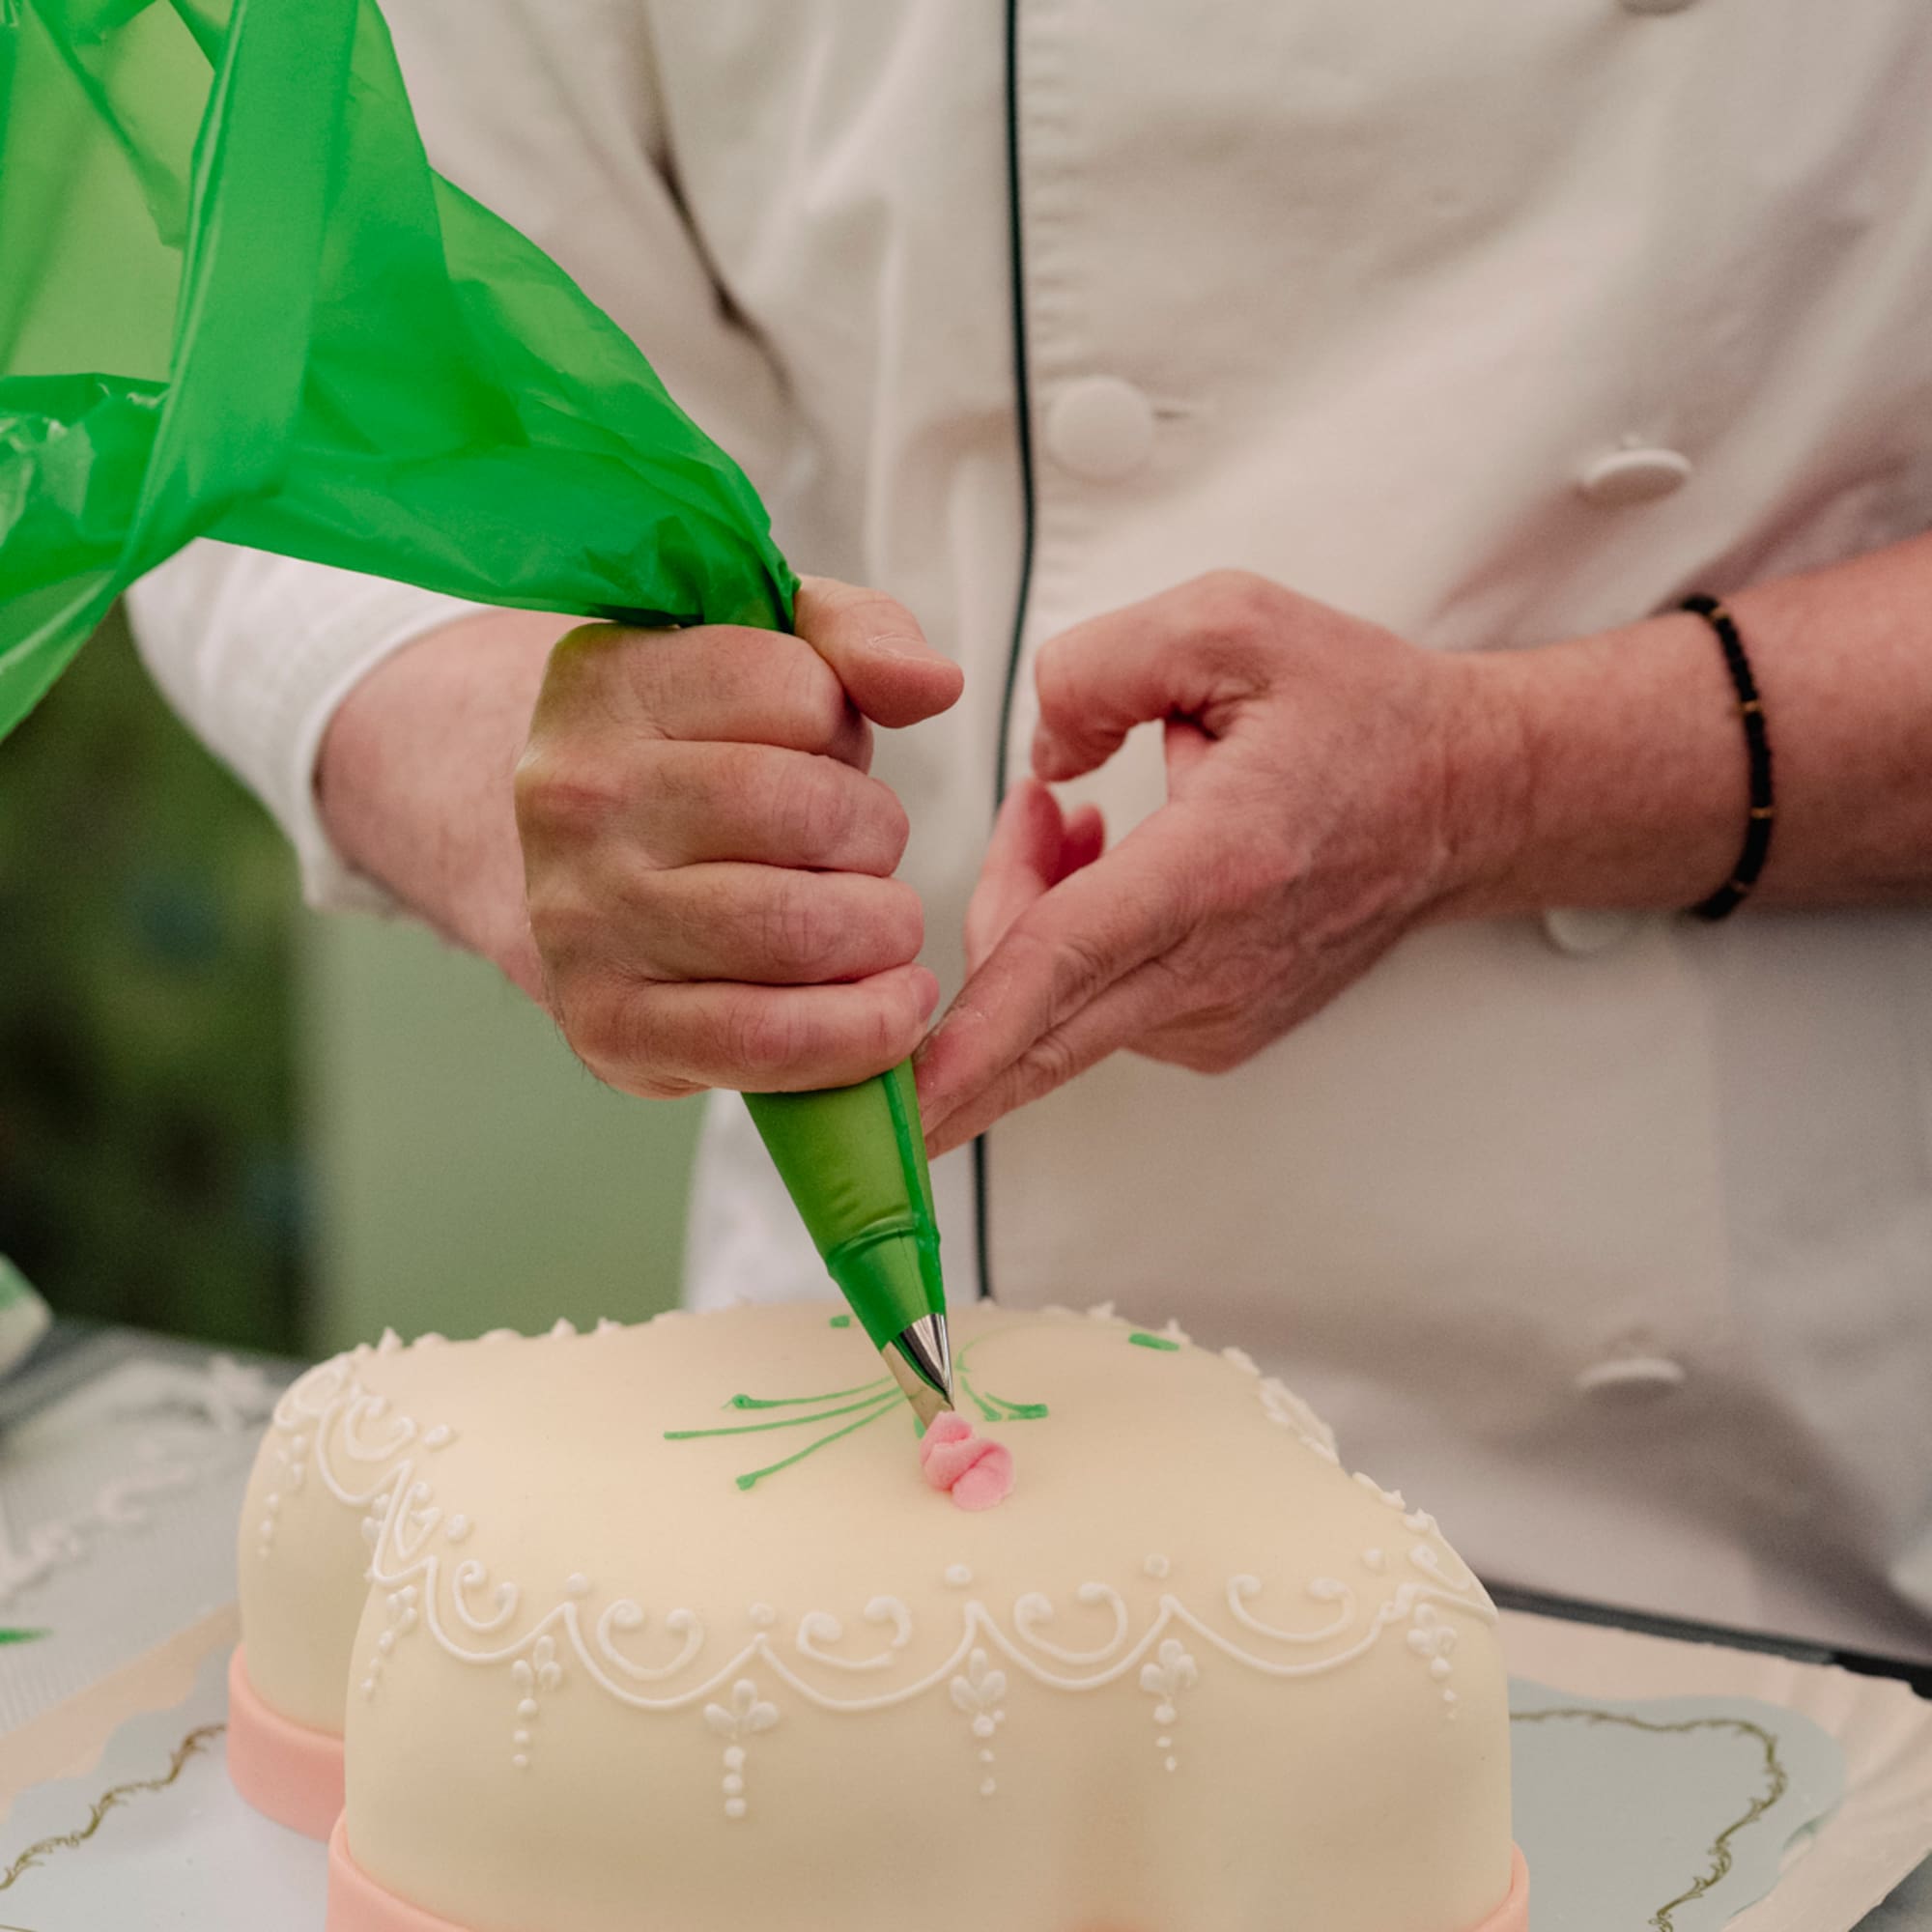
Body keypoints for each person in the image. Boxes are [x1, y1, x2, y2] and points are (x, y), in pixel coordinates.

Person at [129, 5, 1932, 1660]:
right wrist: (520, 769)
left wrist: (1508, 778)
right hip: (872, 1524)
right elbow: (266, 361)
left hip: (1785, 1507)